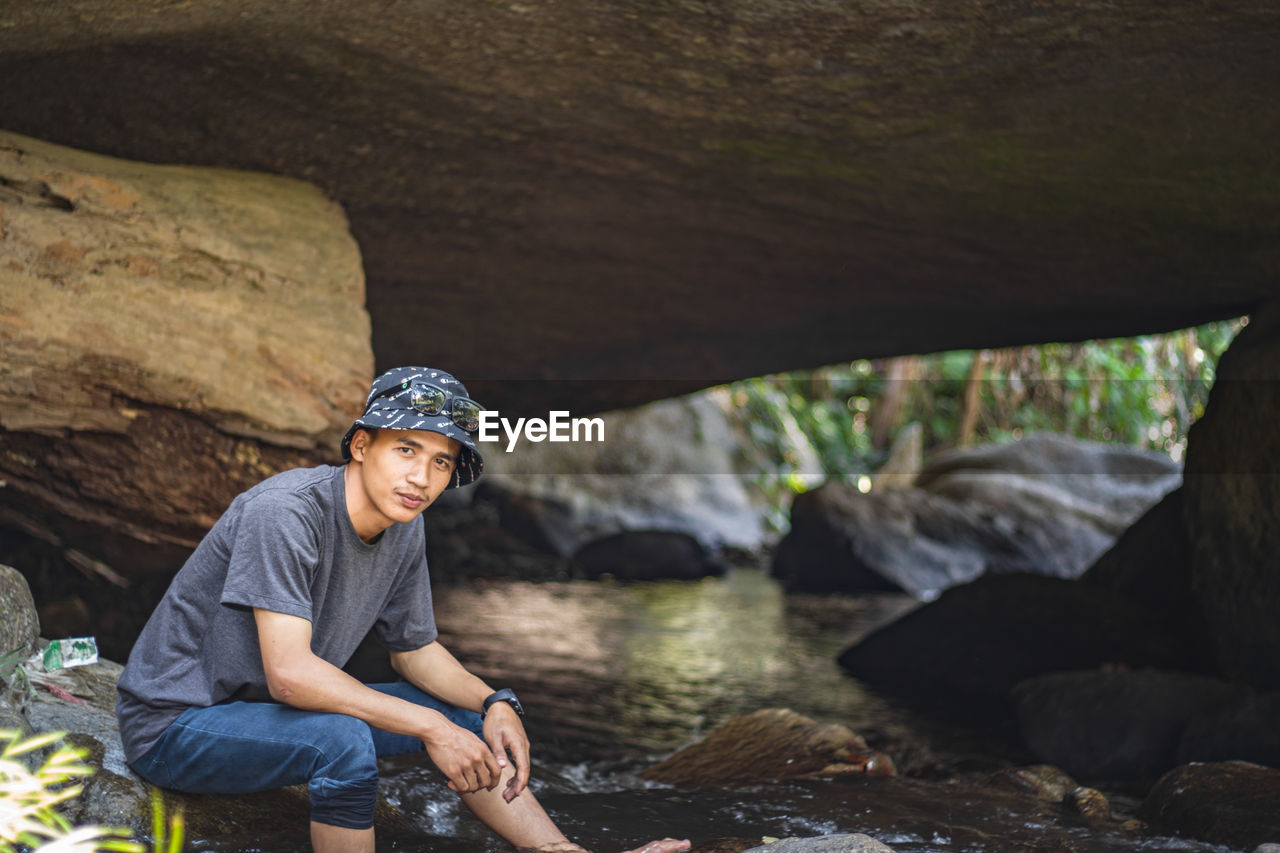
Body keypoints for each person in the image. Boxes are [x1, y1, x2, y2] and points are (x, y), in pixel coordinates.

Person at [116, 366, 691, 853]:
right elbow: (289, 675)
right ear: (362, 445)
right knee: (343, 741)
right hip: (178, 724)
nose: (422, 477)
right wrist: (429, 728)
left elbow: (414, 650)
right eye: (407, 449)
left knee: (468, 724)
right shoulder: (285, 512)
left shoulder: (404, 526)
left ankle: (558, 851)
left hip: (264, 714)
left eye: (442, 462)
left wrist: (495, 702)